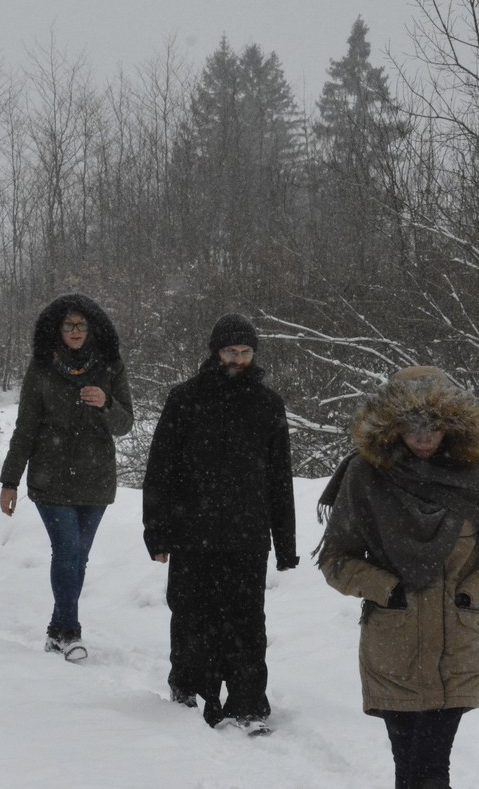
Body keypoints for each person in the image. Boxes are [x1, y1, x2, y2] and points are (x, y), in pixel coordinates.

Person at [316, 366, 479, 786]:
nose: (423, 438)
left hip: (455, 646)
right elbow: (336, 559)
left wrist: (471, 594)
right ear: (391, 426)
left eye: (433, 427)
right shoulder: (367, 476)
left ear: (452, 425)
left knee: (433, 767)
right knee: (410, 768)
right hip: (393, 644)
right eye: (412, 426)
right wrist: (389, 590)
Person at [142, 313, 297, 733]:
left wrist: (285, 544)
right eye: (231, 351)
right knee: (192, 617)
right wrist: (156, 531)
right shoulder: (185, 399)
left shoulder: (268, 405)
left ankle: (247, 704)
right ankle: (191, 694)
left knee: (247, 622)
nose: (239, 359)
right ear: (215, 352)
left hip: (247, 536)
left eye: (246, 352)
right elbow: (160, 471)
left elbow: (280, 479)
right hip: (191, 532)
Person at [0, 294, 134, 662]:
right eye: (68, 325)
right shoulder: (42, 366)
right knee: (68, 550)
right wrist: (9, 481)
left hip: (96, 477)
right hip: (50, 476)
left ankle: (56, 630)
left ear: (92, 329)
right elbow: (25, 426)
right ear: (56, 329)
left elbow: (126, 424)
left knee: (79, 557)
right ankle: (71, 632)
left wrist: (106, 403)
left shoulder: (110, 365)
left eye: (81, 325)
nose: (74, 331)